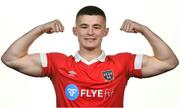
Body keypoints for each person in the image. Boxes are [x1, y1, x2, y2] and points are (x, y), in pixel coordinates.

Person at [1, 5, 179, 107]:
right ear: (75, 30)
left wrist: (144, 30)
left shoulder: (123, 62)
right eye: (84, 26)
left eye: (96, 27)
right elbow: (10, 58)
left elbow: (169, 62)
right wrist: (39, 30)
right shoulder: (58, 62)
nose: (90, 33)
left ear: (105, 31)